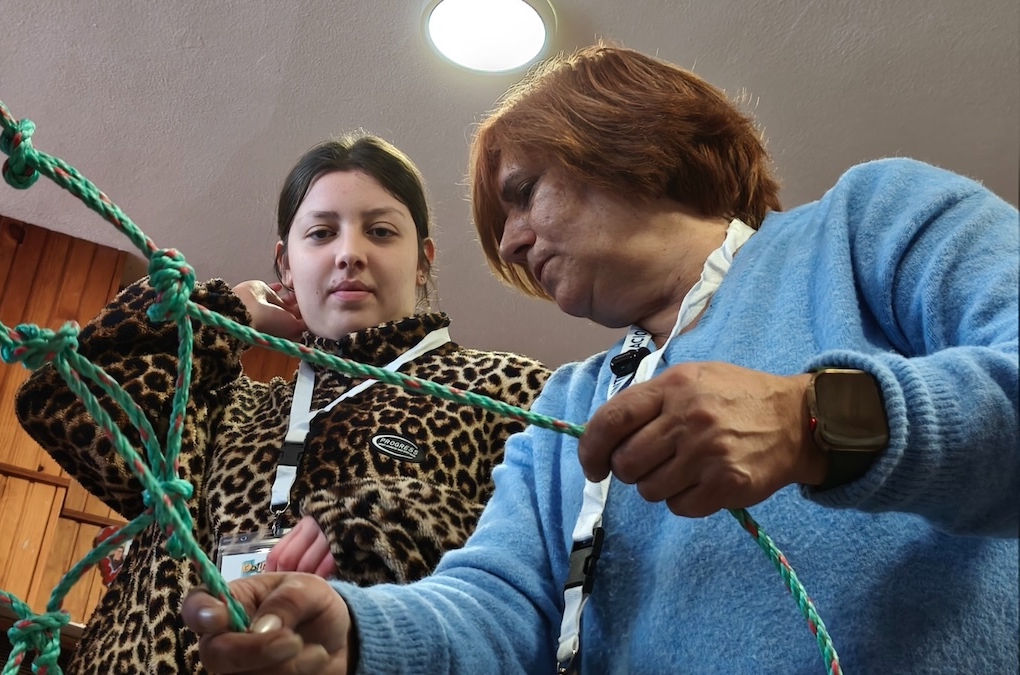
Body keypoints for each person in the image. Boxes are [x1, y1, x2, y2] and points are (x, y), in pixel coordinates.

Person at [180, 45, 1019, 674]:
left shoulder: (869, 222)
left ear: (630, 138)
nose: (508, 240)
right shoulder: (567, 403)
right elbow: (502, 605)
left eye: (522, 194)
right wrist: (357, 630)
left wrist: (818, 420)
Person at [14, 133, 551, 672]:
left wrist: (382, 517)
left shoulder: (509, 393)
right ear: (285, 264)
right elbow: (61, 400)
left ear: (422, 261)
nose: (349, 254)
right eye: (320, 233)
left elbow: (548, 572)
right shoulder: (224, 408)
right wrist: (219, 314)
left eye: (381, 231)